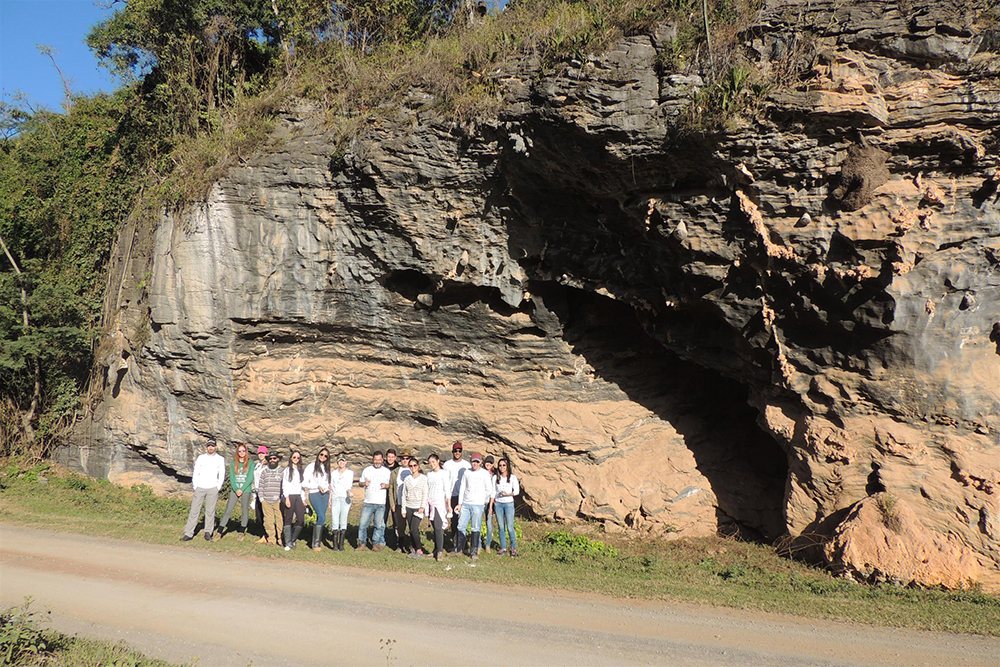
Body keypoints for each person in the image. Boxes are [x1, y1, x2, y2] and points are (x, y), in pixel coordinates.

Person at [181, 438, 226, 541]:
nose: (211, 448)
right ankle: (188, 533)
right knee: (194, 510)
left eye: (212, 446)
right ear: (206, 447)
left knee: (210, 511)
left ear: (215, 447)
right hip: (200, 487)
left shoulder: (220, 459)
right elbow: (196, 471)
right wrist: (195, 485)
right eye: (209, 446)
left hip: (213, 487)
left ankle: (208, 532)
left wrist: (218, 486)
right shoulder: (201, 458)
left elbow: (221, 473)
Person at [454, 452, 494, 560]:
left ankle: (474, 552)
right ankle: (459, 549)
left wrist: (481, 500)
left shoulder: (484, 473)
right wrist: (460, 503)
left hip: (478, 505)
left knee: (475, 527)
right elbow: (462, 488)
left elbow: (488, 489)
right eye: (473, 461)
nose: (475, 464)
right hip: (466, 504)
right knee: (461, 526)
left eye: (477, 461)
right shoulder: (467, 473)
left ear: (480, 462)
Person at [216, 443, 255, 541]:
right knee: (228, 509)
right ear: (237, 452)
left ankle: (241, 531)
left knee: (244, 510)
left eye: (243, 450)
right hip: (235, 489)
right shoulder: (234, 463)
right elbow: (232, 477)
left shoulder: (250, 462)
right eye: (240, 451)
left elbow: (250, 477)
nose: (242, 452)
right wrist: (236, 488)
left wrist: (242, 489)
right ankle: (219, 532)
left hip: (246, 489)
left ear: (246, 452)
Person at [356, 451, 391, 551]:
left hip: (380, 503)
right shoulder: (367, 470)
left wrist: (386, 486)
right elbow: (360, 483)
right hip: (368, 502)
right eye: (375, 459)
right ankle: (361, 543)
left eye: (379, 459)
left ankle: (375, 543)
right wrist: (364, 483)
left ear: (382, 460)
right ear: (373, 460)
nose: (377, 462)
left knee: (378, 525)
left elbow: (391, 485)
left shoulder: (386, 472)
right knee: (363, 524)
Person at [442, 441, 470, 552]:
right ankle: (455, 544)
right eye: (455, 451)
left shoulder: (467, 465)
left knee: (462, 520)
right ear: (452, 452)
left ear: (462, 452)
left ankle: (462, 544)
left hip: (462, 496)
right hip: (451, 496)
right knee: (453, 521)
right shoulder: (447, 464)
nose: (457, 453)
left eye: (459, 451)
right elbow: (444, 480)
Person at [303, 448, 332, 551]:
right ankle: (315, 544)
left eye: (326, 456)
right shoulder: (311, 467)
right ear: (318, 454)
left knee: (321, 518)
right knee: (321, 516)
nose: (323, 457)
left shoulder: (326, 468)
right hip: (314, 493)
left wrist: (329, 490)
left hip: (325, 495)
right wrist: (316, 486)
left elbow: (329, 482)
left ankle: (317, 540)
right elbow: (304, 482)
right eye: (322, 454)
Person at [400, 458, 428, 557]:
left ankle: (419, 548)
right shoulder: (407, 479)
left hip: (418, 507)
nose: (413, 468)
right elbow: (404, 494)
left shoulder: (423, 478)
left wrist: (422, 506)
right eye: (410, 466)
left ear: (418, 466)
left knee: (414, 528)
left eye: (414, 465)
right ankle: (414, 548)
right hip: (408, 506)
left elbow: (425, 493)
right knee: (411, 528)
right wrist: (403, 509)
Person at [424, 453, 450, 561]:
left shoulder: (444, 474)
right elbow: (427, 488)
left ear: (438, 461)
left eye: (433, 462)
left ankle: (440, 551)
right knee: (435, 527)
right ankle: (435, 549)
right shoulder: (429, 475)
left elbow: (447, 490)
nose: (432, 464)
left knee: (439, 528)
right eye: (430, 463)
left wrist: (449, 506)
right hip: (431, 503)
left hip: (439, 503)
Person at [494, 456, 520, 556]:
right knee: (501, 527)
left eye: (504, 465)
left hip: (508, 503)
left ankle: (513, 548)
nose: (502, 467)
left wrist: (508, 494)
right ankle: (503, 547)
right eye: (500, 465)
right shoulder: (496, 478)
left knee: (510, 527)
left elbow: (516, 491)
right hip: (498, 504)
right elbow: (493, 491)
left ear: (507, 466)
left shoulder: (512, 478)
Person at [257, 451, 283, 546]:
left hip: (278, 501)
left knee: (280, 520)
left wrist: (281, 498)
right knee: (268, 521)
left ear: (278, 459)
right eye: (270, 458)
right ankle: (271, 539)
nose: (272, 460)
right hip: (266, 501)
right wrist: (262, 499)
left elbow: (284, 486)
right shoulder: (264, 472)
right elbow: (261, 485)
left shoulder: (282, 471)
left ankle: (280, 538)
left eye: (274, 458)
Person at [388, 449, 412, 552]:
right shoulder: (395, 472)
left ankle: (412, 545)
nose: (405, 460)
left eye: (407, 458)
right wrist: (392, 503)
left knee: (412, 526)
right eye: (403, 458)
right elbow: (391, 488)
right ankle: (399, 545)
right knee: (399, 526)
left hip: (411, 503)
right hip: (398, 502)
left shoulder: (414, 471)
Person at [282, 450, 306, 551]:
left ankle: (293, 539)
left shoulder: (301, 470)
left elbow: (302, 486)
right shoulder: (287, 470)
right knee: (289, 518)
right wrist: (286, 497)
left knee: (301, 519)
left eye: (298, 458)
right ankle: (288, 542)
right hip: (290, 495)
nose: (296, 459)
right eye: (294, 457)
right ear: (291, 458)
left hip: (299, 496)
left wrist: (304, 499)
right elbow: (285, 484)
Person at [329, 452, 354, 551]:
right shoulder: (333, 473)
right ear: (337, 462)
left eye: (343, 461)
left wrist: (349, 492)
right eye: (340, 461)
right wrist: (330, 499)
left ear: (346, 462)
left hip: (345, 498)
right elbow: (331, 486)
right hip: (335, 497)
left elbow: (348, 485)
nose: (341, 463)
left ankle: (341, 544)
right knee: (335, 520)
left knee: (343, 520)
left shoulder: (349, 473)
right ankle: (335, 544)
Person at [252, 445, 269, 541]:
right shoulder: (257, 465)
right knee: (258, 515)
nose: (261, 455)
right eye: (260, 453)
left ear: (266, 454)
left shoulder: (269, 466)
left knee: (266, 515)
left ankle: (267, 535)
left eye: (263, 453)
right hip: (258, 492)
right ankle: (264, 534)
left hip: (266, 493)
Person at [482, 455, 497, 554]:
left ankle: (488, 545)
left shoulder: (494, 476)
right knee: (477, 523)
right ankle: (478, 545)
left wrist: (491, 505)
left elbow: (494, 490)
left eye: (491, 463)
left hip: (489, 502)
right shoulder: (480, 473)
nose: (488, 464)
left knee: (489, 524)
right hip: (479, 501)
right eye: (487, 462)